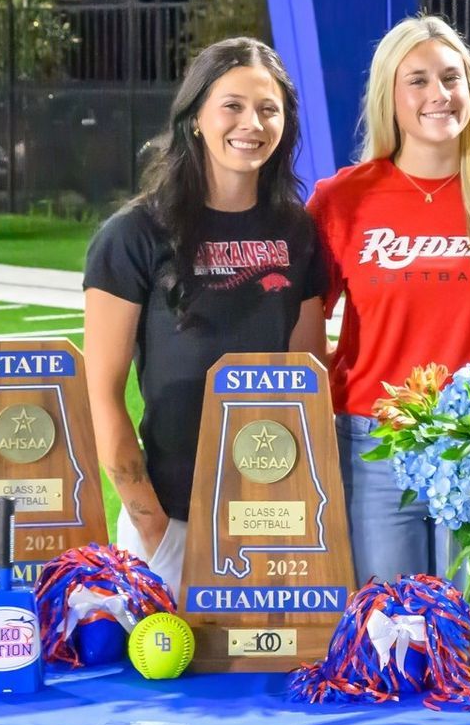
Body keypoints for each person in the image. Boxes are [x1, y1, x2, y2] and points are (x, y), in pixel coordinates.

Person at [308, 16, 470, 583]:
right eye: (417, 80)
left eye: (451, 77)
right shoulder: (341, 200)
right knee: (389, 626)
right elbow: (300, 333)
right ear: (389, 96)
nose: (438, 95)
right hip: (375, 443)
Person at [84, 38, 329, 591]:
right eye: (232, 106)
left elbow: (311, 381)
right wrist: (154, 529)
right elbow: (102, 395)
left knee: (273, 674)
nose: (252, 123)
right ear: (196, 117)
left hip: (274, 516)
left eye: (269, 109)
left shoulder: (297, 232)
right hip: (170, 518)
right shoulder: (133, 236)